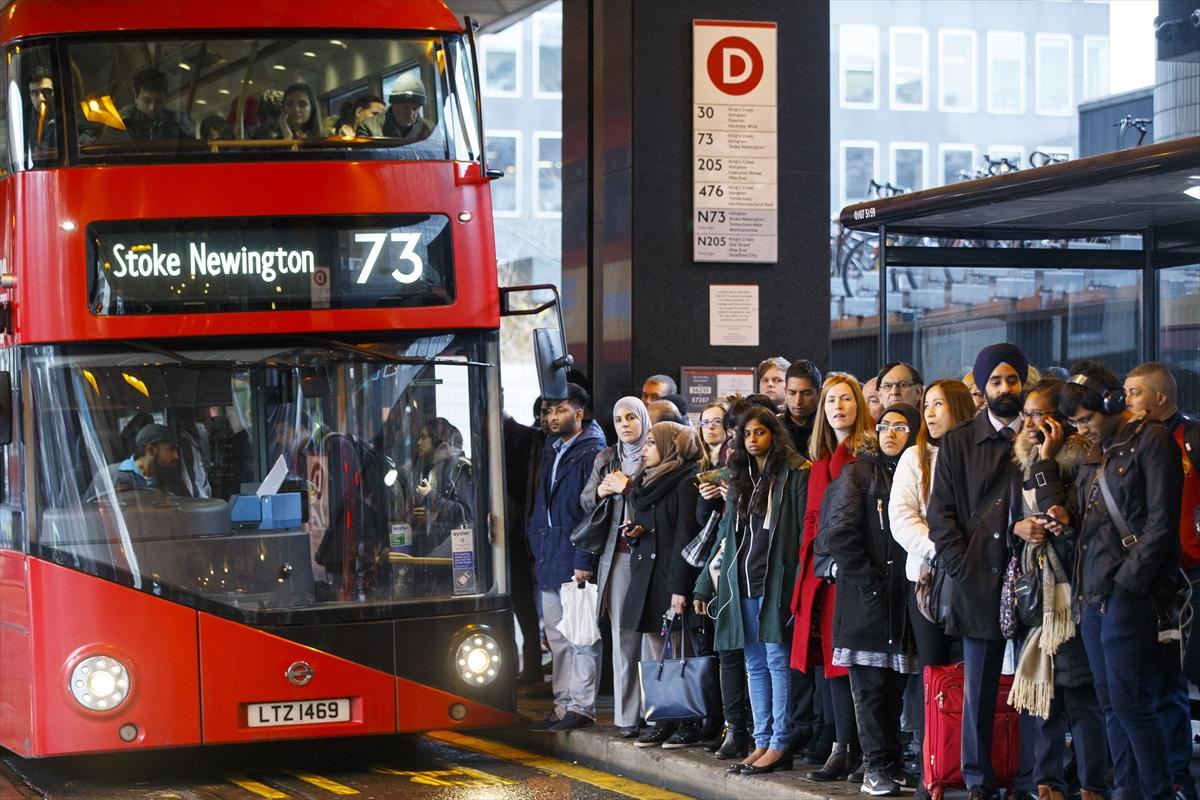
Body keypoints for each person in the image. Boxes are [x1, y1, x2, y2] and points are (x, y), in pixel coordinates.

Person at [1041, 361, 1183, 800]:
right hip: (1092, 594)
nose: (1084, 428)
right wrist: (1064, 514)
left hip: (1126, 595)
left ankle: (1156, 792)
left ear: (1112, 402)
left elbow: (1162, 525)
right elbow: (1088, 518)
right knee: (1109, 705)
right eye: (1077, 423)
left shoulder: (1152, 440)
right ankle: (1126, 790)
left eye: (1087, 420)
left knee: (1131, 703)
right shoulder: (1092, 450)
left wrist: (1126, 585)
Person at [928, 342, 1028, 800]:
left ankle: (1033, 775)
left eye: (1012, 379)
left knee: (1035, 680)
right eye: (995, 380)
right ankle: (978, 778)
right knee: (979, 687)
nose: (1005, 388)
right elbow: (940, 514)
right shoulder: (958, 442)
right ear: (982, 387)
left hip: (1032, 575)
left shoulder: (1044, 433)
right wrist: (961, 565)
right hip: (976, 576)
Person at [1008, 379, 1109, 800]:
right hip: (1038, 596)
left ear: (1062, 419)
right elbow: (1011, 521)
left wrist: (1047, 461)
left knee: (1081, 695)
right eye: (1027, 414)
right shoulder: (1023, 460)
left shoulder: (1081, 459)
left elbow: (1074, 528)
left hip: (1074, 594)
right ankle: (1046, 782)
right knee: (1043, 694)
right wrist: (1019, 527)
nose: (1031, 422)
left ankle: (1092, 785)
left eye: (1041, 414)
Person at [694, 405, 808, 776]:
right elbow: (725, 536)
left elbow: (804, 533)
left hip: (773, 581)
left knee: (776, 661)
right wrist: (702, 585)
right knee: (753, 664)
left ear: (774, 434)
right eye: (747, 434)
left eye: (761, 432)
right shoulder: (739, 479)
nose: (753, 439)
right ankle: (761, 740)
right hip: (739, 582)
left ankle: (780, 743)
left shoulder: (794, 473)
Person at [825, 402, 922, 796]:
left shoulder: (918, 472)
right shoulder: (860, 472)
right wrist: (870, 580)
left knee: (895, 689)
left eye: (901, 427)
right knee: (869, 691)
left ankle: (894, 763)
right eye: (885, 426)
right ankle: (874, 767)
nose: (890, 433)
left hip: (904, 601)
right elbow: (838, 534)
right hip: (866, 600)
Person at [888, 379, 975, 794]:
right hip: (928, 583)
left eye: (940, 404)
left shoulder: (979, 452)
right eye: (927, 405)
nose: (930, 412)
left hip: (978, 582)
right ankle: (933, 768)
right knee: (933, 677)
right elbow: (902, 517)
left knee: (978, 677)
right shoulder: (914, 456)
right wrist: (944, 554)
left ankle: (975, 764)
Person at [793, 373, 876, 782]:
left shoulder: (865, 455)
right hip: (820, 576)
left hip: (852, 573)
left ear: (859, 405)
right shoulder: (822, 461)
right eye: (831, 402)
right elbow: (810, 519)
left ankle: (864, 750)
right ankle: (842, 747)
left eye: (845, 399)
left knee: (852, 666)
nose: (837, 407)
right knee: (829, 665)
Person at [1124, 361, 1200, 800]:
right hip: (1143, 580)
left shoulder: (1189, 437)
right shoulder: (1127, 443)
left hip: (1189, 577)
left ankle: (1178, 777)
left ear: (1161, 398)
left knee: (1172, 681)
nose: (1125, 400)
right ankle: (1153, 774)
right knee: (1150, 681)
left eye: (1135, 392)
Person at [526, 383, 607, 733]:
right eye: (547, 410)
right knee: (557, 638)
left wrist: (584, 560)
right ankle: (562, 705)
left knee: (581, 636)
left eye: (559, 409)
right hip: (548, 554)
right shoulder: (551, 448)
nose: (551, 417)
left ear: (579, 413)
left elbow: (593, 513)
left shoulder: (593, 451)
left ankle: (582, 706)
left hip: (575, 556)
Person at [623, 422, 708, 748]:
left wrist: (680, 588)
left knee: (681, 653)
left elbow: (685, 536)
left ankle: (687, 720)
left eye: (651, 443)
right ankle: (663, 717)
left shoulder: (686, 482)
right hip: (648, 575)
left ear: (670, 445)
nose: (644, 449)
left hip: (672, 578)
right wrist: (634, 535)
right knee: (659, 653)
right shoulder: (646, 481)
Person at [579, 397, 650, 739]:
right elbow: (585, 499)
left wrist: (629, 487)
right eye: (618, 419)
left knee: (651, 638)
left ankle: (656, 713)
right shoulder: (606, 457)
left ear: (643, 420)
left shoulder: (657, 453)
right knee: (623, 638)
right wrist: (604, 490)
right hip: (618, 555)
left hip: (651, 554)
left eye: (631, 418)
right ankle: (627, 716)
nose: (624, 424)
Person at [503, 405, 543, 685]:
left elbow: (527, 487)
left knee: (525, 603)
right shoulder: (500, 434)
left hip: (520, 532)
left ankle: (532, 667)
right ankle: (519, 666)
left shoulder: (524, 436)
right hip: (508, 531)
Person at [86, 423, 182, 500]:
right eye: (170, 449)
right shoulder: (109, 476)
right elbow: (86, 511)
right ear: (151, 450)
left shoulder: (171, 478)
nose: (176, 456)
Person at [118, 68, 194, 141]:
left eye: (158, 101)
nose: (152, 108)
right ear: (136, 96)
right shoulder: (123, 121)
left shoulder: (179, 120)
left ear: (165, 98)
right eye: (147, 101)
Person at [358, 74, 433, 144]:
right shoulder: (368, 128)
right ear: (393, 105)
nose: (410, 113)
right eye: (405, 107)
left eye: (415, 108)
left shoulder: (429, 130)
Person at [782, 360, 822, 461]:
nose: (798, 401)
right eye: (792, 393)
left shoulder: (830, 427)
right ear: (785, 392)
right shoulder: (773, 426)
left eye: (806, 393)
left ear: (819, 393)